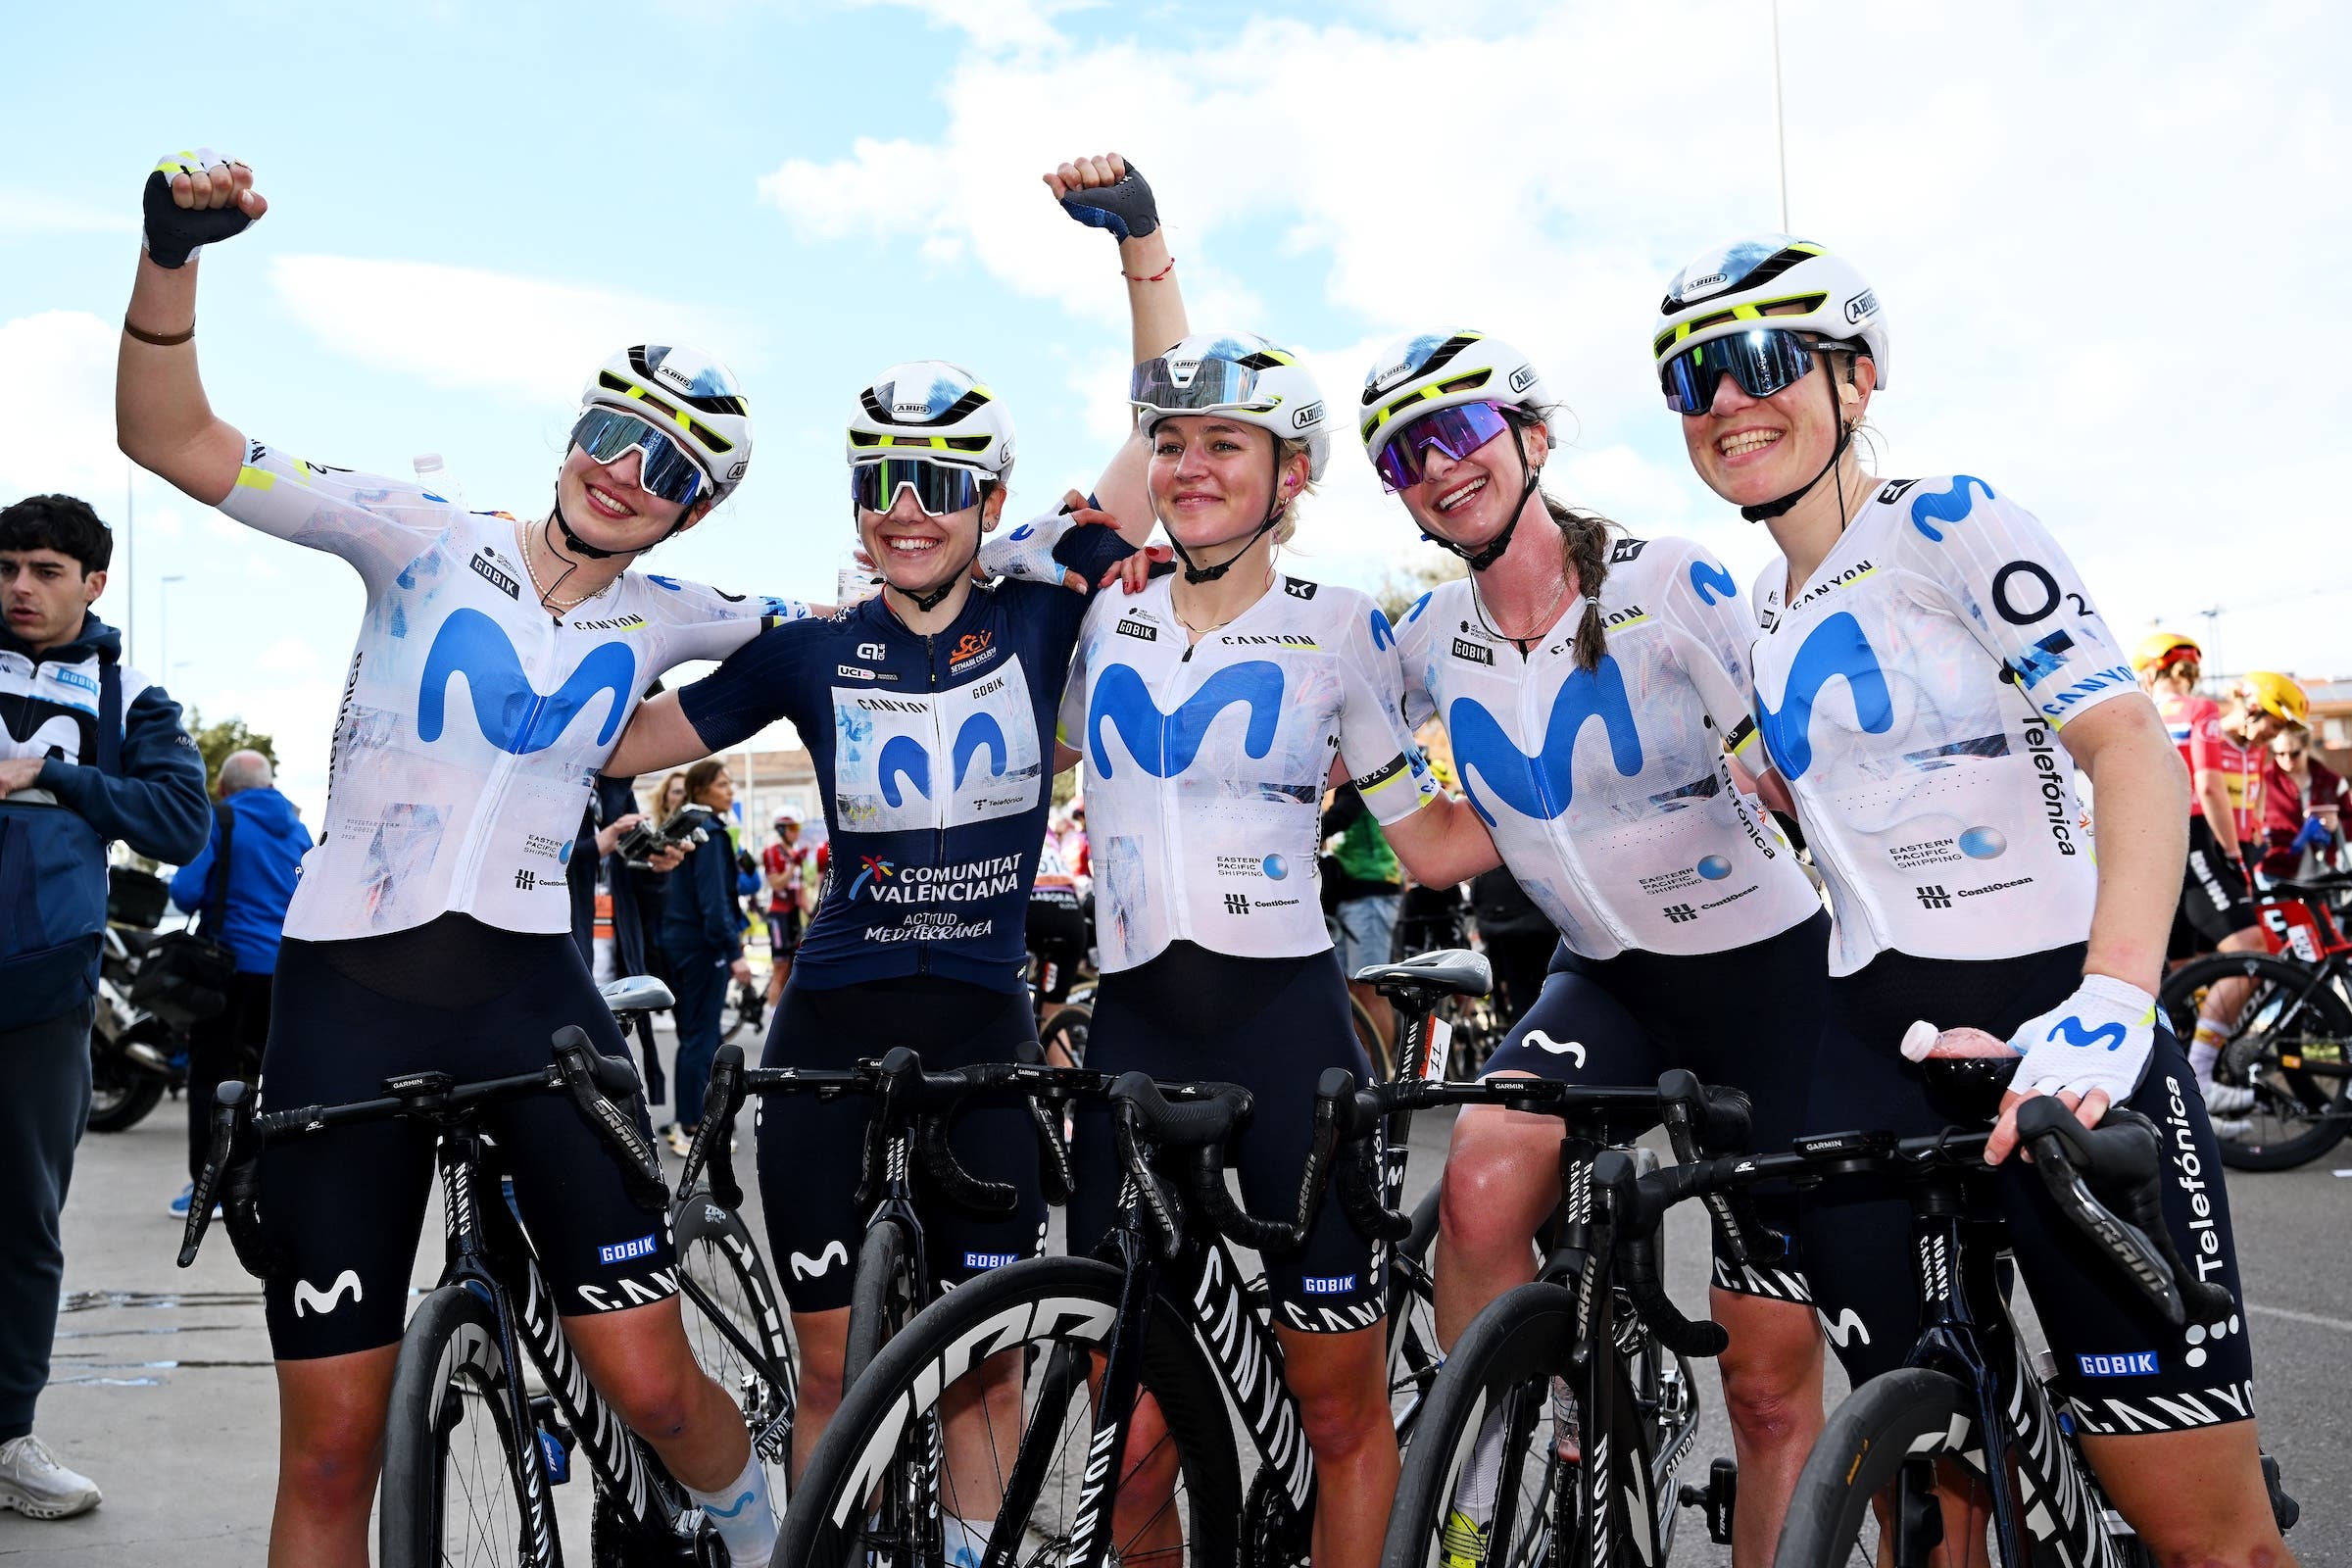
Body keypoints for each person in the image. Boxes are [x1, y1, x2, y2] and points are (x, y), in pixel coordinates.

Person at [113, 150, 809, 1568]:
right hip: (342, 1012)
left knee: (659, 1390)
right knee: (328, 1452)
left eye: (672, 467)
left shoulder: (680, 612)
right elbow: (171, 442)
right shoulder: (416, 536)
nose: (627, 473)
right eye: (614, 433)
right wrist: (172, 260)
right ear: (570, 433)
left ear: (696, 510)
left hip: (527, 1010)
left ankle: (755, 1530)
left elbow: (889, 617)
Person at [1662, 231, 2294, 1562]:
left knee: (2206, 1532)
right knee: (1919, 1478)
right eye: (1694, 379)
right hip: (1870, 1048)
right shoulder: (1763, 606)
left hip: (2053, 1019)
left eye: (1764, 360)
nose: (1727, 401)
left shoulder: (1948, 519)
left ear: (1859, 375)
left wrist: (2115, 999)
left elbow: (2127, 746)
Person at [1047, 153, 1502, 1568]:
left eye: (1225, 444)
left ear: (1288, 474)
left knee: (1337, 1409)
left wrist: (1588, 816)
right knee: (1125, 1455)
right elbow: (1150, 394)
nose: (1190, 465)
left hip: (1287, 1033)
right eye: (1173, 446)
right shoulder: (1098, 614)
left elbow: (1427, 834)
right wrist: (1140, 256)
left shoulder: (1345, 626)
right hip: (1130, 1035)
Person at [603, 355, 1143, 1528]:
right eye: (883, 480)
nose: (907, 506)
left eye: (940, 485)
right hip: (830, 1021)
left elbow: (1156, 449)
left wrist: (1138, 251)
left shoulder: (1043, 613)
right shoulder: (811, 648)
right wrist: (607, 604)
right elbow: (619, 744)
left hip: (982, 1025)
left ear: (989, 506)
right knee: (835, 1372)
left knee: (984, 1369)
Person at [1359, 325, 1832, 1564]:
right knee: (1475, 1177)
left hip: (1763, 980)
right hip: (1600, 974)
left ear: (1532, 436)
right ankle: (1511, 1427)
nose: (1438, 467)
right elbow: (1426, 832)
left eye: (1458, 433)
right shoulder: (1424, 639)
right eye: (1403, 455)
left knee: (1773, 1387)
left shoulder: (1666, 581)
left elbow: (1797, 765)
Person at [0, 492, 209, 1521]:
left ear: (92, 581)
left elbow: (176, 818)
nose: (20, 589)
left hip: (44, 988)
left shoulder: (132, 699)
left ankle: (6, 1439)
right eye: (6, 569)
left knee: (23, 1222)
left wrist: (53, 775)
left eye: (43, 570)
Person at [167, 747, 310, 1218]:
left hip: (226, 973)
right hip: (286, 975)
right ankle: (276, 1182)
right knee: (276, 1080)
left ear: (225, 787)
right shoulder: (298, 828)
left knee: (212, 1078)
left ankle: (210, 1190)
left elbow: (185, 892)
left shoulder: (219, 819)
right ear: (269, 784)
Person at [660, 760, 749, 1154]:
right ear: (701, 791)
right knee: (700, 1037)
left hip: (681, 943)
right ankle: (694, 1126)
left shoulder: (692, 831)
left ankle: (692, 1121)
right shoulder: (709, 833)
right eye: (723, 784)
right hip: (702, 947)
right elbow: (714, 903)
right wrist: (732, 951)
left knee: (695, 1034)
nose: (730, 790)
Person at [1323, 781, 1405, 1051]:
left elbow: (1341, 816)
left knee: (1369, 988)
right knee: (1354, 991)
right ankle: (1369, 1066)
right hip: (1353, 891)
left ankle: (1383, 1076)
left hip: (1371, 890)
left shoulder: (1358, 775)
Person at [2262, 725, 2345, 880]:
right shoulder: (2264, 780)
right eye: (2279, 753)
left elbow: (2349, 818)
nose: (2287, 759)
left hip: (2323, 869)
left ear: (2306, 747)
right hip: (2277, 869)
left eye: (2294, 753)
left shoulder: (2330, 781)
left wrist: (2337, 825)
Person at [760, 807, 812, 1007]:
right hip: (778, 915)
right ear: (781, 829)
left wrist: (810, 912)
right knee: (780, 967)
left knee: (793, 967)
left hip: (793, 915)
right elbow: (777, 884)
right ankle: (772, 1015)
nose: (796, 831)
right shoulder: (772, 852)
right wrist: (793, 866)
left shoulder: (796, 852)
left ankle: (786, 1012)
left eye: (798, 827)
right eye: (792, 827)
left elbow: (799, 890)